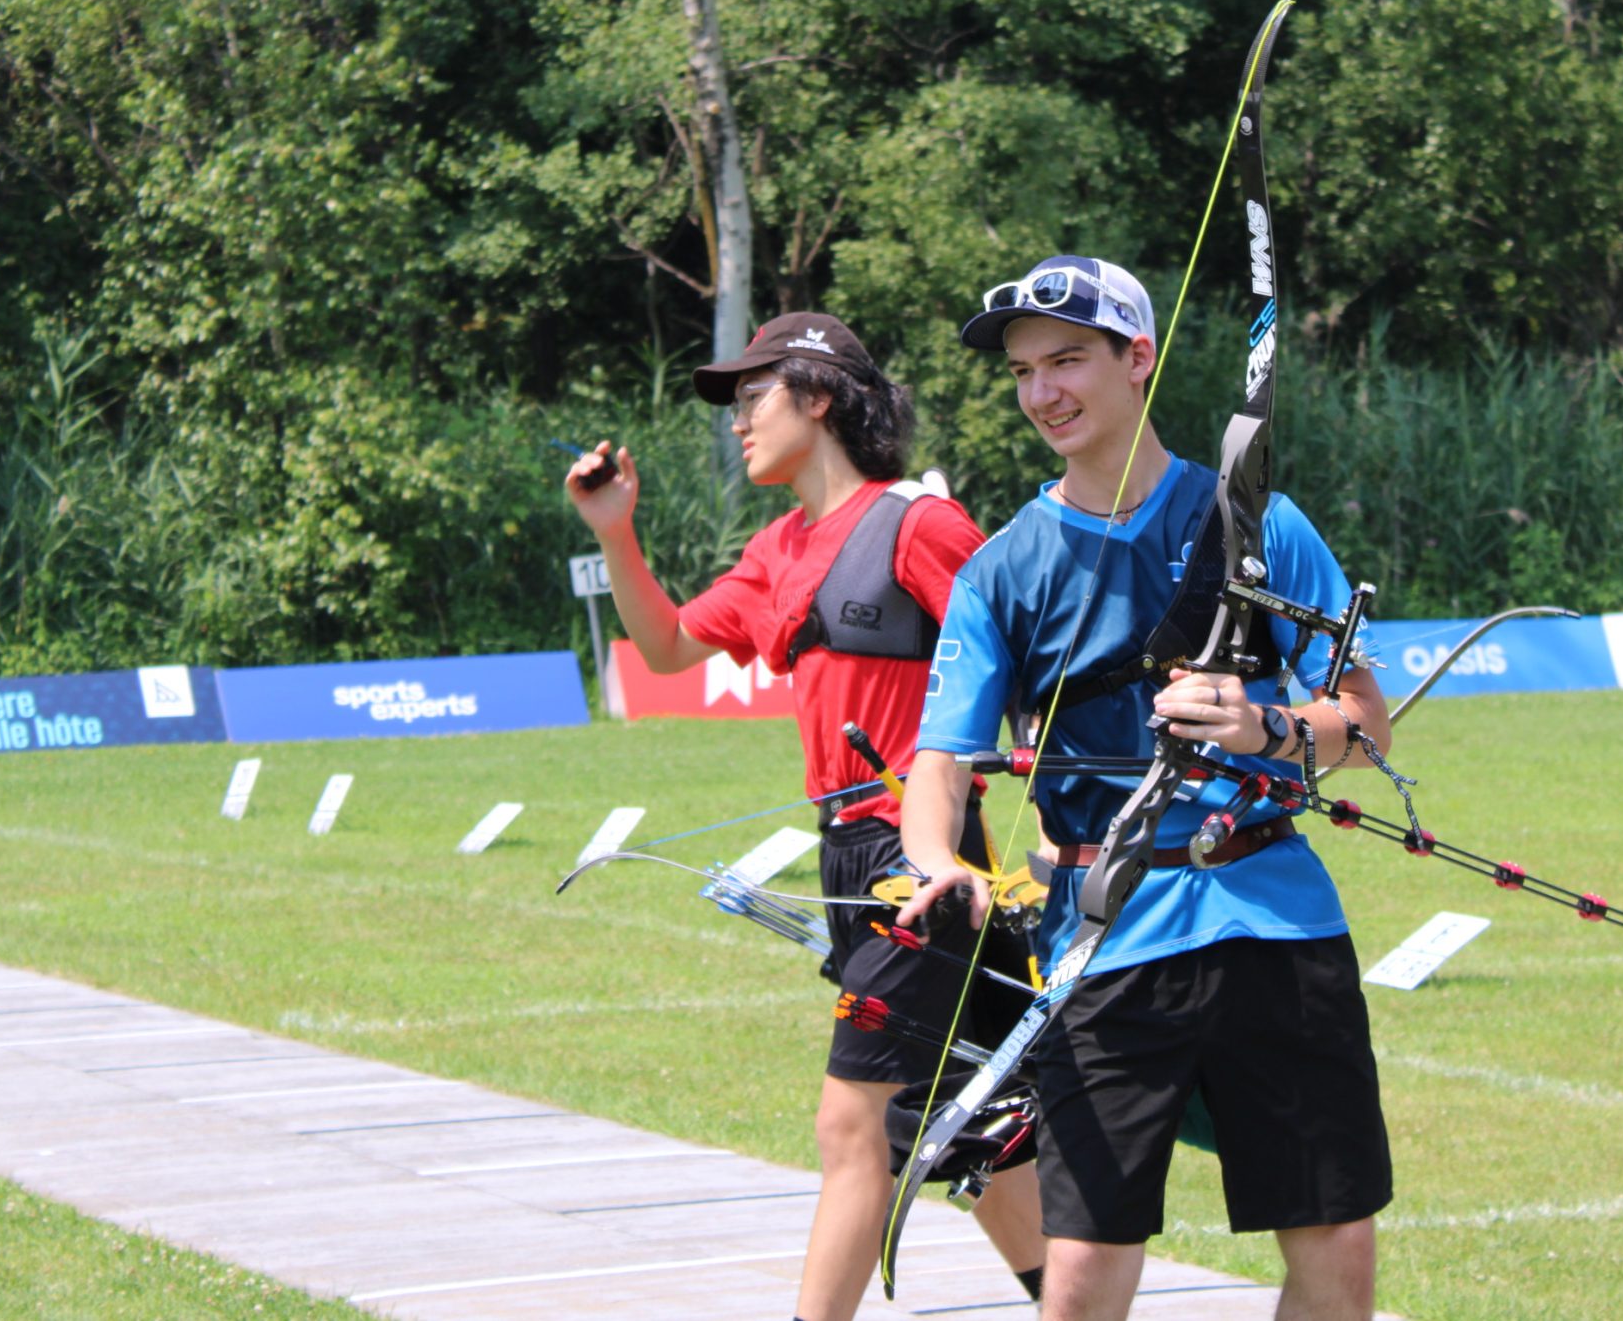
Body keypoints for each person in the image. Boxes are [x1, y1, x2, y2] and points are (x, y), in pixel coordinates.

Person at [897, 256, 1394, 1321]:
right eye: (1025, 372)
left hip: (1275, 921)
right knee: (1080, 1273)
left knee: (1336, 1245)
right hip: (1104, 941)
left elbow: (1360, 724)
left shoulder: (1258, 524)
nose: (1043, 394)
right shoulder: (1001, 568)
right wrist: (937, 860)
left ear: (1137, 359)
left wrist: (1268, 725)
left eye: (1067, 360)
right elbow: (939, 757)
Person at [564, 311, 1043, 1321]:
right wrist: (616, 532)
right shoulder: (776, 547)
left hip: (924, 858)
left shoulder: (917, 525)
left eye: (753, 399)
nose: (737, 422)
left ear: (818, 399)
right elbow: (666, 649)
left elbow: (1031, 655)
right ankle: (1072, 1302)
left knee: (853, 1121)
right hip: (848, 855)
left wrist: (1063, 808)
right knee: (952, 1119)